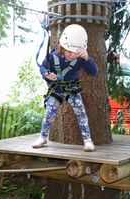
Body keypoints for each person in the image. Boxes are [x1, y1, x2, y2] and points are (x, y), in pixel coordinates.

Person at [32, 24, 98, 152]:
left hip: (72, 88)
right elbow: (43, 69)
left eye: (75, 52)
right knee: (49, 112)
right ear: (62, 47)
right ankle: (43, 137)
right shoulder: (52, 57)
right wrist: (46, 75)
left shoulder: (81, 59)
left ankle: (88, 140)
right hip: (56, 88)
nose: (72, 55)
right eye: (69, 51)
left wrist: (86, 58)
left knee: (81, 112)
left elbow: (94, 72)